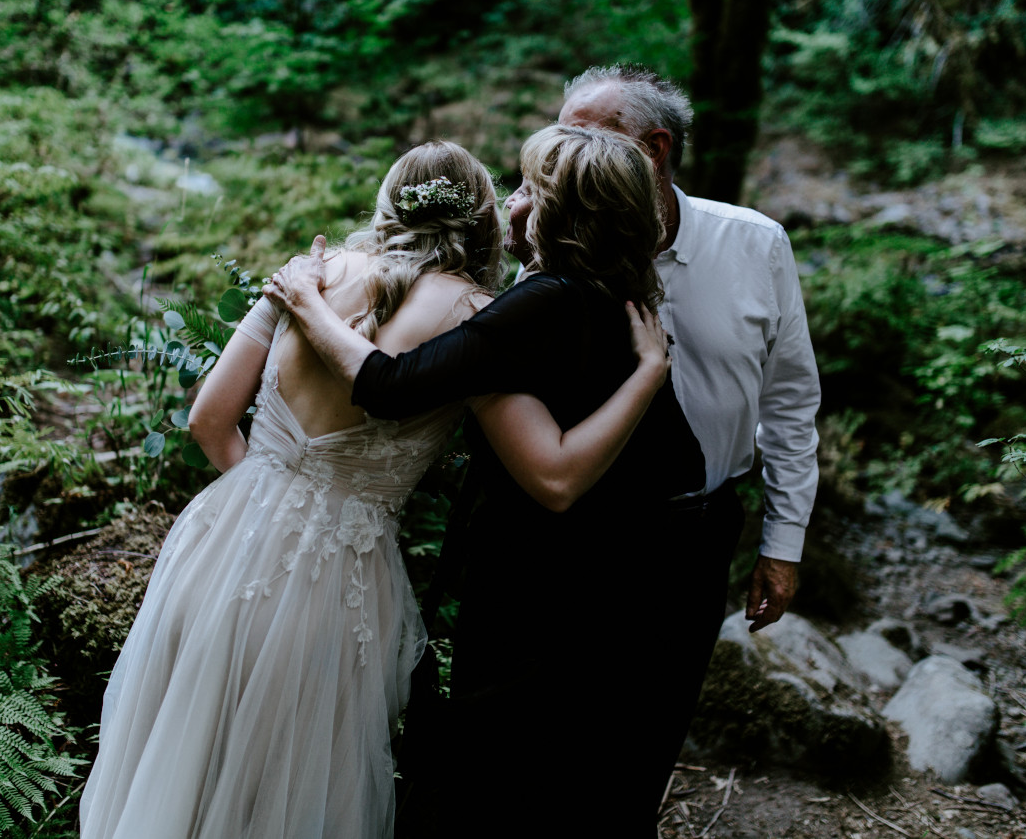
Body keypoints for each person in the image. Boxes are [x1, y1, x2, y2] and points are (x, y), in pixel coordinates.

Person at [78, 140, 674, 839]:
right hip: (337, 580)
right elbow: (549, 467)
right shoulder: (479, 317)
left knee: (184, 762)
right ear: (483, 220)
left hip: (219, 548)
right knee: (286, 788)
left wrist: (272, 510)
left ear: (390, 202)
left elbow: (210, 420)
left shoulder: (311, 274)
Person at [265, 124, 707, 834]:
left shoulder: (546, 301)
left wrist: (308, 300)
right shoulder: (610, 291)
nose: (513, 202)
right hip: (650, 559)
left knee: (501, 769)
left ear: (561, 212)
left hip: (584, 574)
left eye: (530, 187)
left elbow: (388, 382)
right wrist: (651, 375)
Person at [555, 63, 822, 758]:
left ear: (655, 148)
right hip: (582, 528)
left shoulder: (757, 244)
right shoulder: (556, 252)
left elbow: (790, 401)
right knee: (568, 727)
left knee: (656, 724)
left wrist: (782, 544)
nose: (567, 160)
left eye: (589, 139)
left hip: (700, 529)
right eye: (560, 140)